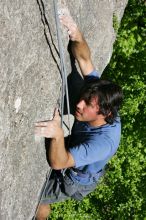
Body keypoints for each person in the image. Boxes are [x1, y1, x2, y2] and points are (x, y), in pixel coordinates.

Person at [34, 11, 123, 220]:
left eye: (87, 104)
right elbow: (83, 58)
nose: (79, 104)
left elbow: (59, 163)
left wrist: (57, 134)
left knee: (38, 199)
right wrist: (76, 33)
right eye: (83, 98)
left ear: (104, 113)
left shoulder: (102, 143)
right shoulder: (99, 96)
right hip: (77, 154)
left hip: (76, 179)